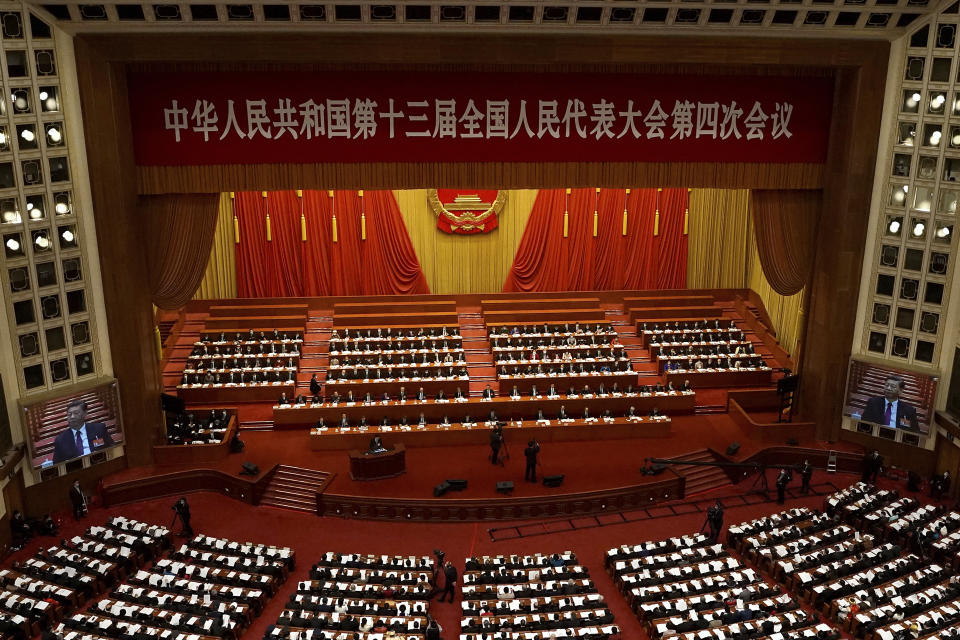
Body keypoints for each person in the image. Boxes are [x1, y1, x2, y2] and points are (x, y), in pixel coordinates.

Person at [52, 399, 115, 464]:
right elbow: (56, 463)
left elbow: (112, 447)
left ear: (85, 413)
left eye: (76, 413)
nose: (72, 417)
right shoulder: (61, 440)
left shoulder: (99, 429)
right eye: (69, 414)